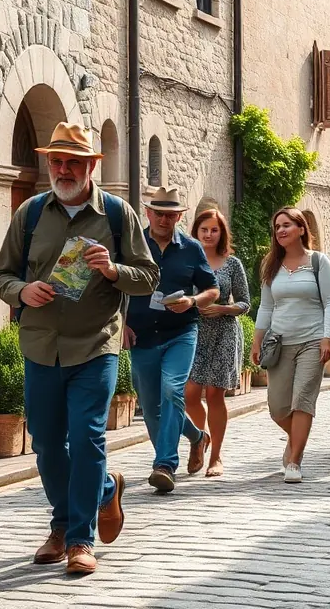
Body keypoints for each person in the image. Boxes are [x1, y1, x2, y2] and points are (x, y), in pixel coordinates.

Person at [0, 122, 160, 575]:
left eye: (73, 163)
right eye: (57, 161)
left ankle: (78, 537)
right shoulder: (29, 214)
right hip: (40, 345)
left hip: (95, 345)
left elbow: (148, 277)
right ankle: (99, 495)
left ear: (90, 167)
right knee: (46, 442)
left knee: (86, 437)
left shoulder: (117, 215)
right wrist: (22, 292)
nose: (64, 170)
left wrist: (113, 270)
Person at [125, 187, 220, 494]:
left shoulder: (192, 249)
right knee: (150, 406)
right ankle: (197, 437)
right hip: (141, 336)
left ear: (179, 217)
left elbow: (212, 289)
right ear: (148, 213)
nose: (164, 220)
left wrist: (193, 301)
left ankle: (164, 465)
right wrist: (121, 323)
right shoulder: (132, 244)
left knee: (172, 390)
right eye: (159, 214)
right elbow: (113, 286)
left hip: (181, 332)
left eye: (171, 215)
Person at [249, 208, 330, 484]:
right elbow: (266, 306)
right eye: (277, 227)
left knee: (303, 401)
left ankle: (295, 460)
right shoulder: (271, 264)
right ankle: (297, 436)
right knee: (277, 407)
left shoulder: (318, 262)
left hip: (312, 341)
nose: (281, 230)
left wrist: (327, 336)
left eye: (286, 225)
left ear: (301, 229)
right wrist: (257, 339)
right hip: (279, 343)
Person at [184, 208, 251, 477]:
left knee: (214, 394)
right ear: (196, 231)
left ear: (222, 233)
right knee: (189, 394)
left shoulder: (232, 264)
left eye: (214, 230)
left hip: (224, 333)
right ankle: (201, 438)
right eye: (204, 229)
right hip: (193, 332)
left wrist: (223, 309)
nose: (209, 234)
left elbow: (245, 303)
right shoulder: (187, 260)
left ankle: (216, 457)